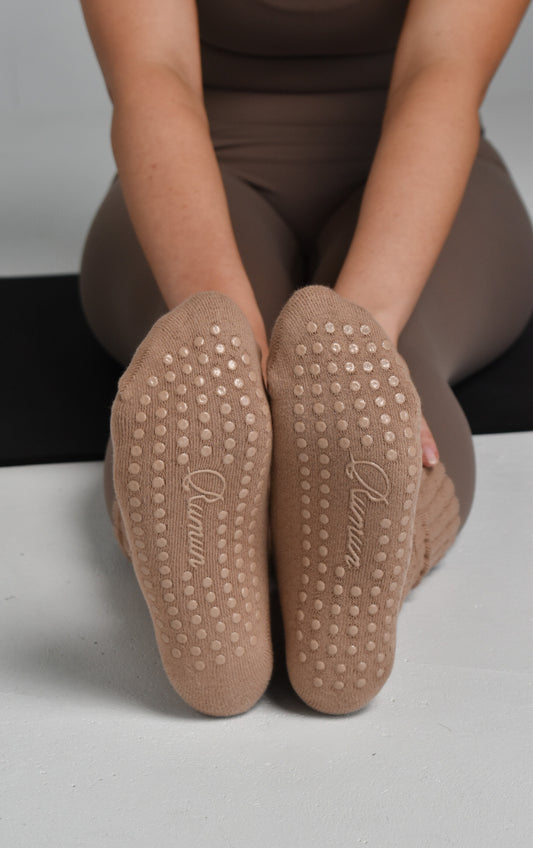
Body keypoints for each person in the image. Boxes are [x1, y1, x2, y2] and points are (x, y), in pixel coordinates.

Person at [78, 0, 533, 717]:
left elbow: (441, 73)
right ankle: (269, 603)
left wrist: (364, 342)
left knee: (391, 373)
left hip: (428, 172)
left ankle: (303, 596)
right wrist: (230, 343)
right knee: (193, 379)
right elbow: (152, 76)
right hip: (193, 172)